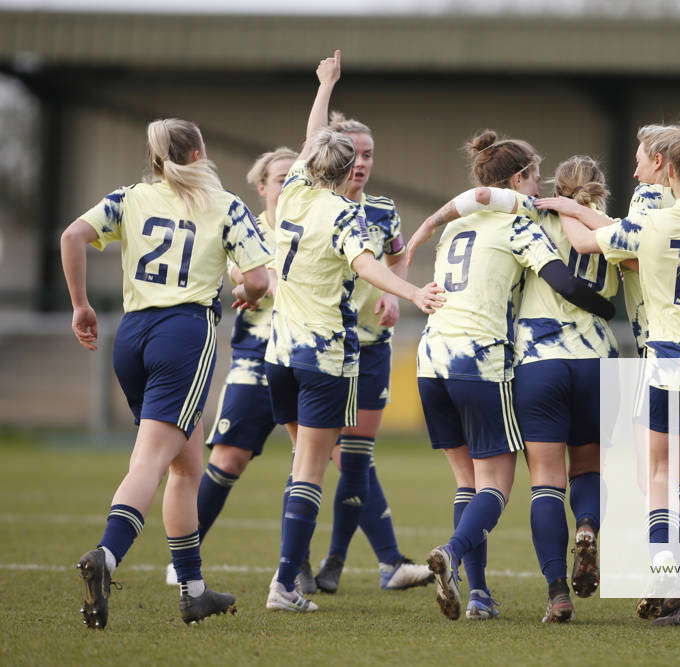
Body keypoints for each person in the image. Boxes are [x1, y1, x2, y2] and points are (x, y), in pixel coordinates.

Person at [535, 121, 680, 628]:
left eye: (642, 156)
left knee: (660, 474)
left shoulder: (649, 206)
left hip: (666, 356)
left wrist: (561, 208)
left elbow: (593, 243)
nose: (636, 167)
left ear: (664, 164)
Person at [61, 117, 273, 628]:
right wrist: (245, 294)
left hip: (131, 335)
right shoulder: (224, 204)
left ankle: (193, 589)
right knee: (153, 460)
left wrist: (80, 306)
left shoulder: (129, 196)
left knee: (186, 465)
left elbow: (72, 235)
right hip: (183, 333)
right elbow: (259, 280)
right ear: (199, 151)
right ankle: (106, 557)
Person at [407, 130, 616, 621]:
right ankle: (579, 528)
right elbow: (565, 278)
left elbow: (476, 198)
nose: (536, 185)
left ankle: (504, 593)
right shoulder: (608, 227)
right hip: (514, 361)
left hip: (440, 358)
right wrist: (605, 306)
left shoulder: (463, 229)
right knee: (564, 473)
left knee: (502, 481)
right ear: (520, 179)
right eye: (531, 176)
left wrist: (422, 230)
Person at [263, 49, 444, 613]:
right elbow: (367, 265)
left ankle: (310, 576)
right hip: (324, 357)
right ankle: (286, 584)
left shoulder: (293, 191)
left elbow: (314, 136)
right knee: (311, 473)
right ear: (347, 171)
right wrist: (411, 293)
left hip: (279, 351)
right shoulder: (344, 214)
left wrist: (324, 88)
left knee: (308, 466)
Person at [310, 112, 434, 594]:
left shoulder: (382, 210)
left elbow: (399, 253)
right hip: (319, 347)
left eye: (368, 155)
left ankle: (336, 561)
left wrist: (393, 292)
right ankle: (297, 564)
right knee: (316, 459)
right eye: (354, 154)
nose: (361, 163)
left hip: (370, 347)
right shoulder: (314, 206)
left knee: (356, 460)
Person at [161, 147, 296, 587]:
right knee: (228, 456)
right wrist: (265, 283)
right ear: (262, 187)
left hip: (308, 355)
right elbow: (241, 274)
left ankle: (313, 565)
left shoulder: (313, 223)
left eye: (295, 176)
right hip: (257, 357)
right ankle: (185, 554)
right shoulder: (250, 227)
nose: (288, 184)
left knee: (335, 459)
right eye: (280, 178)